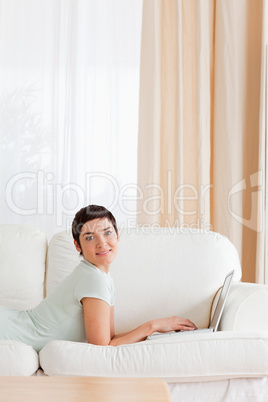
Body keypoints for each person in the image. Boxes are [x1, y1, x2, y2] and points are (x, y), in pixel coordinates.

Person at [0, 205, 197, 351]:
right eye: (90, 237)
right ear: (78, 246)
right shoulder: (94, 279)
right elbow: (102, 347)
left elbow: (109, 338)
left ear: (117, 235)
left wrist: (154, 328)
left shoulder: (100, 277)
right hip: (9, 330)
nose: (102, 243)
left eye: (107, 232)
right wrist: (153, 326)